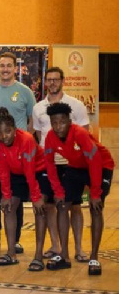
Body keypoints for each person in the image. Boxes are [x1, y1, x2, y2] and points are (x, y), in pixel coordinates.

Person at [44, 103, 114, 275]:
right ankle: (65, 256)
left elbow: (95, 161)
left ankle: (94, 257)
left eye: (62, 122)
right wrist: (58, 191)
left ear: (69, 121)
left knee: (95, 208)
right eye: (54, 122)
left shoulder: (80, 134)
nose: (58, 126)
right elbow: (49, 165)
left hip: (101, 165)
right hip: (76, 168)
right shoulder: (50, 137)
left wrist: (95, 193)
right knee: (62, 204)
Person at [0, 52, 36, 254]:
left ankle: (16, 240)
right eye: (2, 65)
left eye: (9, 66)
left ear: (15, 68)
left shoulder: (25, 92)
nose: (5, 69)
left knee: (15, 201)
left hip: (18, 156)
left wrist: (23, 140)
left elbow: (31, 119)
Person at [33, 67, 90, 262]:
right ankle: (56, 245)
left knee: (74, 206)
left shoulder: (76, 105)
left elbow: (85, 136)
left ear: (63, 81)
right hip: (48, 164)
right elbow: (40, 137)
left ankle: (79, 248)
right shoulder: (38, 107)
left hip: (71, 163)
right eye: (49, 80)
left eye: (56, 79)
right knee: (50, 205)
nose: (52, 83)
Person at [0, 108, 51, 271]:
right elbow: (2, 171)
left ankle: (38, 256)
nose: (4, 136)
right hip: (17, 172)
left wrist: (36, 197)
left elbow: (30, 172)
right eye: (0, 133)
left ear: (15, 129)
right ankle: (11, 253)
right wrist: (5, 195)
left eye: (8, 132)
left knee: (39, 208)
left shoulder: (26, 140)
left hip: (39, 171)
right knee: (9, 207)